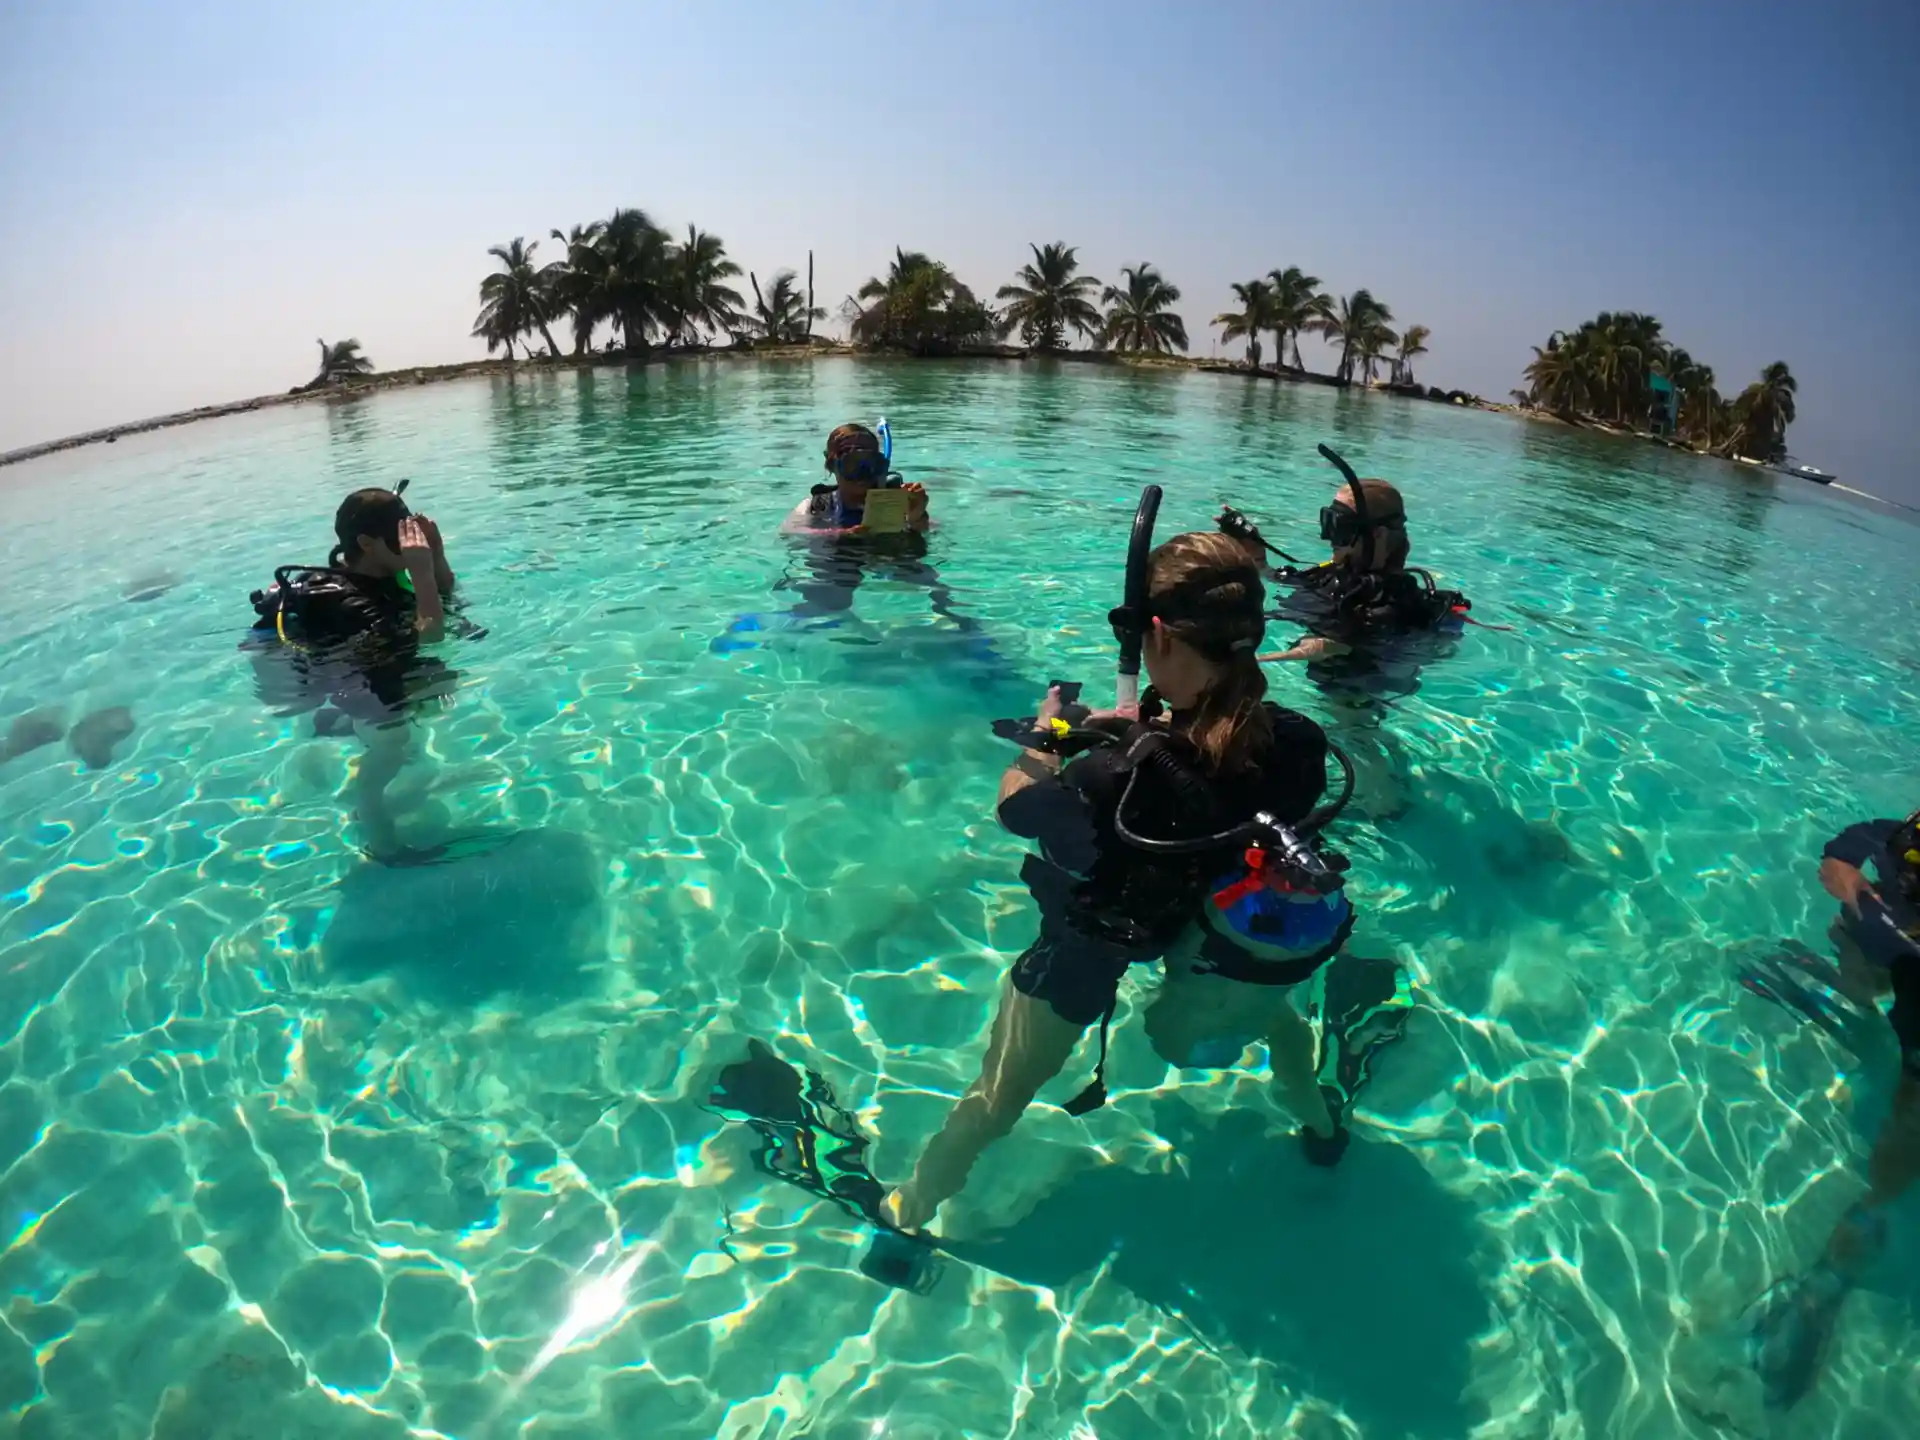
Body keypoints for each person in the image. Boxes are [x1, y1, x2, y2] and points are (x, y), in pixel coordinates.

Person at [882, 519, 1377, 1238]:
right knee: (1274, 1017)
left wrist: (1051, 738)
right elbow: (1223, 762)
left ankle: (908, 1213)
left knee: (1001, 1093)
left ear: (1158, 635)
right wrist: (1144, 729)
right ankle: (1320, 1125)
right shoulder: (1298, 742)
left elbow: (1019, 809)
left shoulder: (1112, 775)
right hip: (1220, 938)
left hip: (1104, 940)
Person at [1748, 808, 1920, 1407]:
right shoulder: (1900, 837)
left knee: (1895, 1165)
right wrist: (1858, 893)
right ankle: (1823, 1287)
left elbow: (1847, 880)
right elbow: (1843, 857)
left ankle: (1826, 1284)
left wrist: (1863, 904)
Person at [1221, 444, 1473, 814]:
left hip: (1359, 684)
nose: (1330, 539)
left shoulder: (1392, 606)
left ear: (1378, 536)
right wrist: (1257, 557)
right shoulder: (1334, 578)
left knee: (1357, 743)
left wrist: (1231, 661)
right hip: (1338, 679)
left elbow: (1328, 646)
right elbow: (1282, 579)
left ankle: (1389, 811)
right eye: (1329, 522)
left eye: (1340, 527)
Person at [245, 483, 466, 855]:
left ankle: (341, 724)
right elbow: (430, 636)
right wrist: (422, 573)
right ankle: (380, 841)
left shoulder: (382, 574)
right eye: (400, 540)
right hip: (328, 673)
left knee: (439, 683)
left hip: (356, 662)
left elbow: (443, 601)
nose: (412, 547)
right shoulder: (343, 598)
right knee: (393, 741)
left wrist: (437, 557)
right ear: (366, 544)